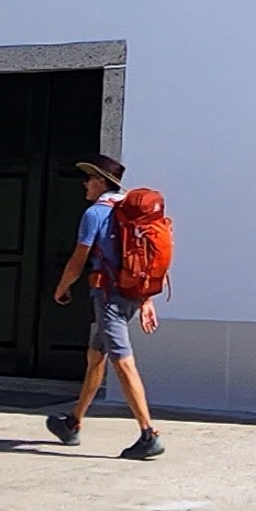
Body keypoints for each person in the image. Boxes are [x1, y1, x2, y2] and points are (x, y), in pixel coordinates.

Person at [46, 154, 164, 459]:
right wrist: (147, 298)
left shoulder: (95, 214)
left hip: (108, 296)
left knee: (122, 361)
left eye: (89, 178)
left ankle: (148, 434)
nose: (85, 184)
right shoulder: (131, 210)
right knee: (95, 356)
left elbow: (78, 259)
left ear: (102, 181)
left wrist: (62, 286)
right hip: (131, 293)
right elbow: (145, 256)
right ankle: (73, 423)